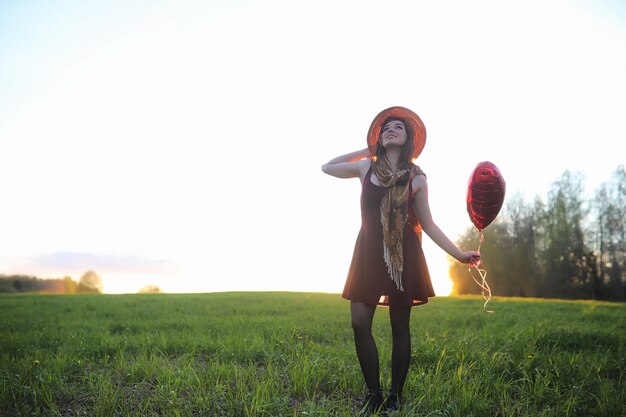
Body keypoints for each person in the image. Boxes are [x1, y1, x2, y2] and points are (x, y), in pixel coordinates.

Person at [321, 106, 480, 414]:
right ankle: (374, 394)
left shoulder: (418, 179)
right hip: (367, 251)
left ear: (408, 139)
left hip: (402, 257)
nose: (390, 129)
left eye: (398, 127)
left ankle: (394, 395)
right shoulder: (365, 167)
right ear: (378, 138)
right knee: (359, 322)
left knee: (399, 326)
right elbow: (327, 166)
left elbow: (429, 224)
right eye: (386, 128)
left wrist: (459, 254)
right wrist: (367, 148)